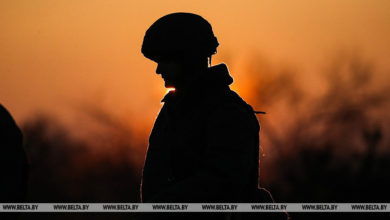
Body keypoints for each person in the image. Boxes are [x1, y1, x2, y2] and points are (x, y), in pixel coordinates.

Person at [140, 12, 285, 220]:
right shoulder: (172, 109)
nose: (158, 70)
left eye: (166, 60)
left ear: (188, 58)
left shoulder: (228, 112)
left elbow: (222, 184)